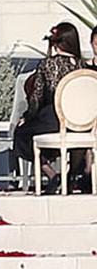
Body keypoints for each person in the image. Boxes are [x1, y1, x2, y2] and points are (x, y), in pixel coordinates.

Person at [14, 22, 85, 177]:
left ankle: (51, 174)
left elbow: (37, 98)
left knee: (21, 134)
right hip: (79, 121)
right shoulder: (83, 66)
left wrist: (27, 117)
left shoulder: (48, 65)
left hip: (54, 119)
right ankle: (71, 176)